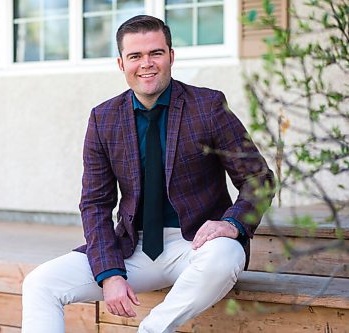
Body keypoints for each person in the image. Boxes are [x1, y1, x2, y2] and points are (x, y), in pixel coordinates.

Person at [22, 15, 274, 333]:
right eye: (135, 56)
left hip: (197, 245)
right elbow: (95, 204)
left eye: (155, 53)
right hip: (134, 248)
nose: (147, 64)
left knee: (225, 256)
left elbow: (258, 178)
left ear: (171, 56)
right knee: (40, 283)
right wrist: (110, 273)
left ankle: (152, 329)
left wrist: (231, 223)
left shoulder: (207, 106)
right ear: (120, 63)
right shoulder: (103, 119)